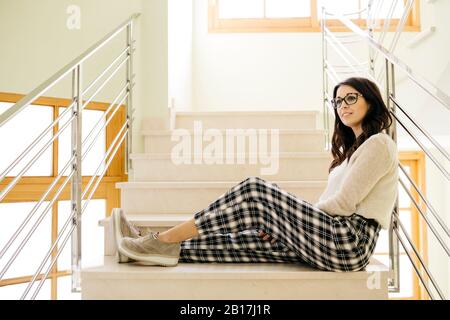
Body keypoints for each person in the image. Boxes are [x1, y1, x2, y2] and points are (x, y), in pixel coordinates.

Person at [113, 77, 399, 272]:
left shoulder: (379, 144)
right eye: (337, 102)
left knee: (255, 189)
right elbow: (333, 203)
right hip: (331, 239)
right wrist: (285, 223)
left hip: (349, 241)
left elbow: (344, 204)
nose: (343, 106)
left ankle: (161, 239)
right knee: (245, 241)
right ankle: (151, 248)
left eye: (351, 98)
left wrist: (289, 218)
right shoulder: (350, 154)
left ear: (371, 101)